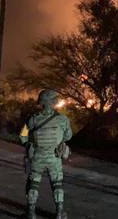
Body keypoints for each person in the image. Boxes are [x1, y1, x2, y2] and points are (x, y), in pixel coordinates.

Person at [19, 89, 72, 219]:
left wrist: (27, 145)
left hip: (37, 156)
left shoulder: (33, 119)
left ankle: (31, 213)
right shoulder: (62, 119)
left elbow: (22, 136)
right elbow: (68, 135)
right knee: (57, 183)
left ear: (42, 102)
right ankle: (59, 213)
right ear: (52, 102)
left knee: (33, 183)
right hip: (55, 157)